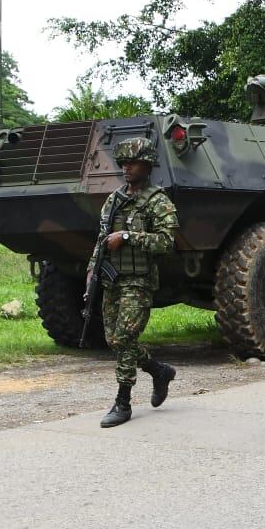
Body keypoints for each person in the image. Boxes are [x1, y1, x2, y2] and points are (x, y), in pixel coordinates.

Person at [85, 137, 180, 428]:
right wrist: (92, 270)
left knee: (125, 337)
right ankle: (158, 370)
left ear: (147, 165)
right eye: (123, 163)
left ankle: (122, 401)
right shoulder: (114, 199)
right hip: (113, 279)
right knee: (114, 340)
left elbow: (167, 242)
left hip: (138, 281)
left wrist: (127, 237)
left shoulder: (157, 201)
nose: (126, 168)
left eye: (133, 163)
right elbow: (102, 239)